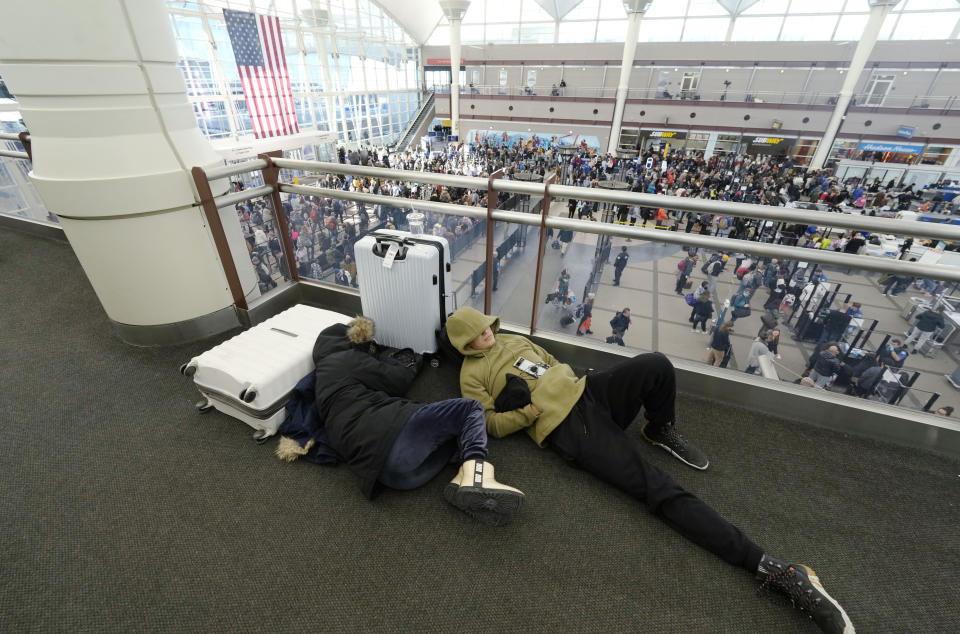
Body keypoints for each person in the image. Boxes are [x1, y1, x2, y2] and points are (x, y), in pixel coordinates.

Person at [445, 306, 853, 634]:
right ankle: (774, 567)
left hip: (588, 390)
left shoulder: (512, 337)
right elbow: (489, 425)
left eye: (488, 327)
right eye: (479, 334)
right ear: (465, 345)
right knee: (657, 489)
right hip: (567, 427)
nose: (489, 335)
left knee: (656, 364)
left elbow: (553, 361)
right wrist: (528, 412)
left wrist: (572, 380)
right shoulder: (472, 375)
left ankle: (658, 430)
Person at [275, 317, 526, 526]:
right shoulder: (343, 359)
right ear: (347, 341)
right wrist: (410, 360)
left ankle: (462, 481)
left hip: (392, 477)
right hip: (393, 438)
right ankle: (477, 472)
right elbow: (397, 379)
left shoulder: (322, 382)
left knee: (454, 435)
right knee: (470, 409)